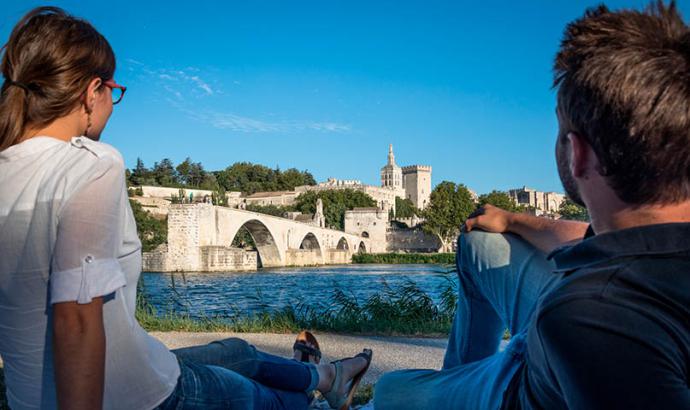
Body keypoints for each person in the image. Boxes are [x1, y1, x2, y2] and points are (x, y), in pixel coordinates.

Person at [0, 7, 372, 410]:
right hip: (137, 396)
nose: (112, 102)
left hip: (77, 387)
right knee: (271, 401)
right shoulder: (91, 162)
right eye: (114, 91)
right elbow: (76, 319)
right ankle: (316, 390)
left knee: (237, 352)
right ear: (92, 92)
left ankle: (327, 376)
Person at [375, 1, 690, 409]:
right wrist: (510, 219)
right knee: (479, 242)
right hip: (559, 337)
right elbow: (579, 235)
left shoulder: (588, 318)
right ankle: (460, 384)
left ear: (577, 153)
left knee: (391, 390)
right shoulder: (648, 236)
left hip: (524, 380)